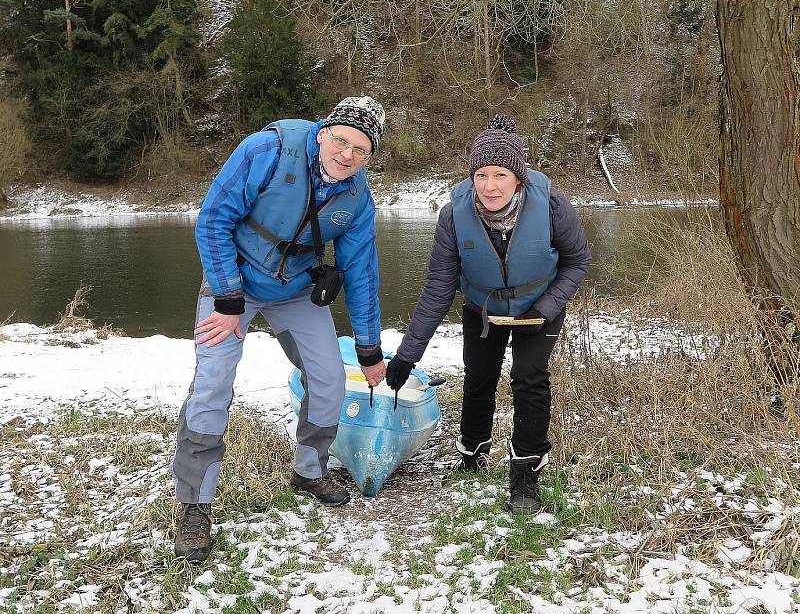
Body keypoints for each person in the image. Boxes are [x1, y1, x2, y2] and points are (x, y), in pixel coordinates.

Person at [171, 97, 387, 563]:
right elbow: (212, 220)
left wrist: (370, 351)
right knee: (212, 387)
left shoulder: (356, 198)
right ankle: (194, 505)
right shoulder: (266, 149)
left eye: (361, 150)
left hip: (293, 289)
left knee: (330, 377)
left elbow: (363, 274)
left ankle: (309, 470)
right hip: (233, 284)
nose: (347, 155)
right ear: (324, 131)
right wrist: (228, 298)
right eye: (341, 141)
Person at [385, 114, 591, 515]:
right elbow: (438, 288)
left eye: (500, 174)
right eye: (481, 175)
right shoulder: (452, 215)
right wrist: (408, 355)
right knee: (479, 377)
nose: (489, 186)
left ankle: (525, 477)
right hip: (483, 308)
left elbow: (577, 261)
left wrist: (545, 308)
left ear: (519, 177)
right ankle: (473, 453)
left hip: (540, 304)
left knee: (529, 379)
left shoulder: (550, 204)